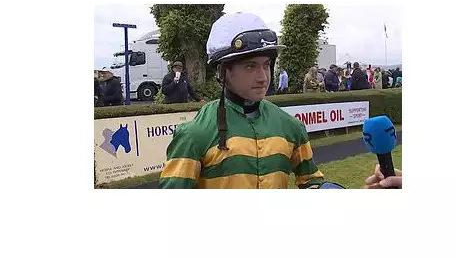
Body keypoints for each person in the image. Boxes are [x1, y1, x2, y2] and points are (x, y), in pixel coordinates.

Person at [158, 12, 371, 189]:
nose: (263, 77)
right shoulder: (193, 134)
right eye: (250, 66)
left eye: (266, 65)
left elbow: (311, 181)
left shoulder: (291, 126)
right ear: (223, 72)